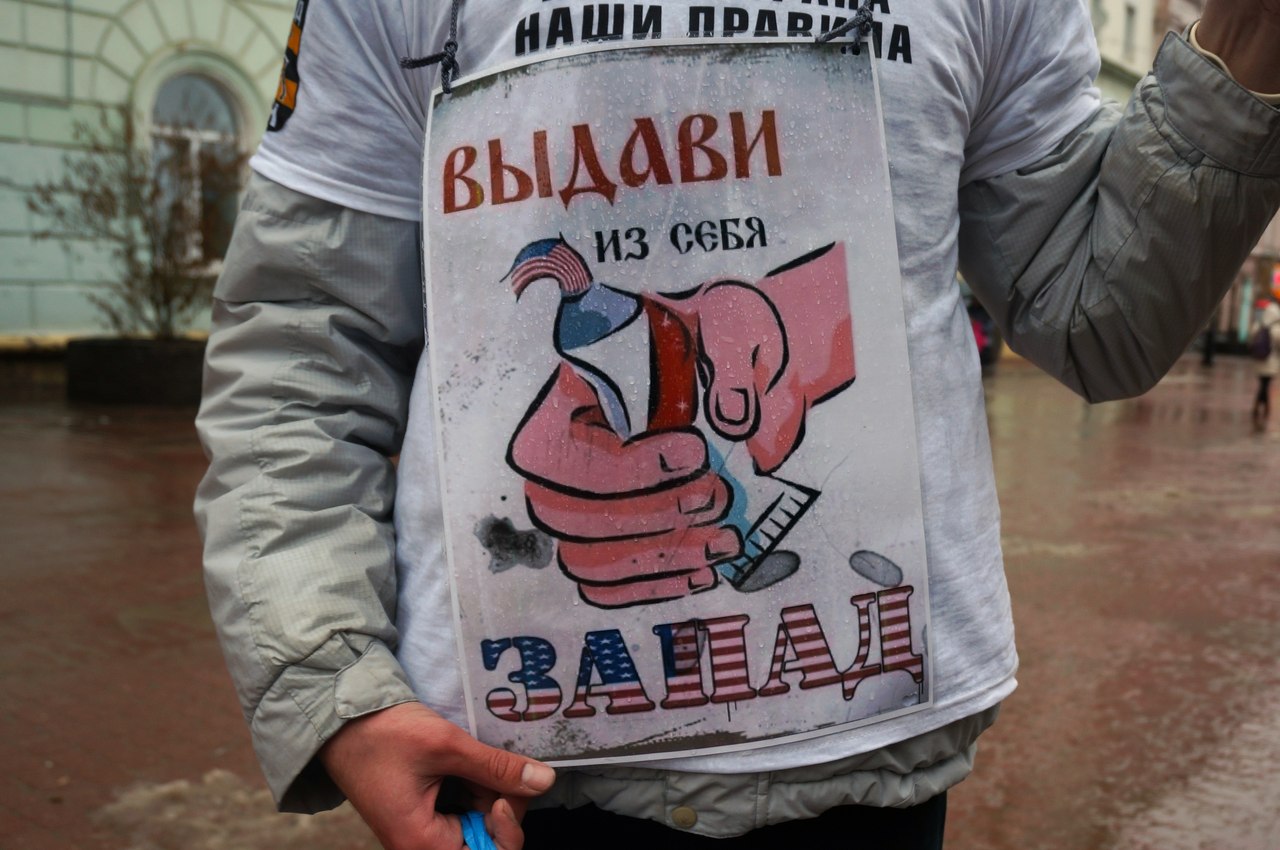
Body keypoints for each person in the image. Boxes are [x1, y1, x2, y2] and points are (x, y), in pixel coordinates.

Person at [194, 2, 1280, 848]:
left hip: (873, 767)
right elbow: (303, 341)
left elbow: (1095, 319)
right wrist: (333, 690)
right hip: (508, 786)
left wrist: (1247, 43)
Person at [1252, 299, 1280, 427]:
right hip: (1271, 361)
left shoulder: (1259, 325)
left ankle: (1259, 405)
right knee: (1265, 384)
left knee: (1263, 383)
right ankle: (1262, 406)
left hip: (1259, 360)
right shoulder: (1276, 328)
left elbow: (1251, 338)